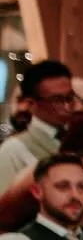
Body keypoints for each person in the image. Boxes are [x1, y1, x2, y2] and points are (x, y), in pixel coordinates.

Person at [0, 61, 74, 195]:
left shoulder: (77, 137)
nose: (67, 107)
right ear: (31, 103)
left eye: (70, 98)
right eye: (57, 100)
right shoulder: (13, 150)